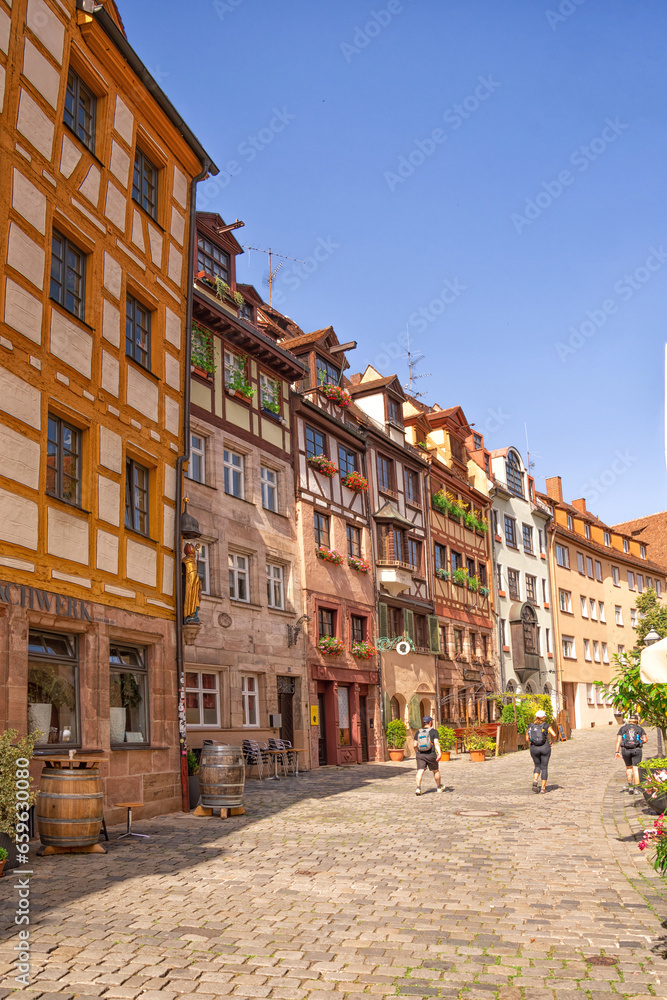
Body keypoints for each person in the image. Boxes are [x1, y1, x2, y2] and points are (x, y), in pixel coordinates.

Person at [527, 709, 558, 794]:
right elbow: (554, 735)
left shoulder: (530, 726)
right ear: (543, 717)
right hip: (545, 748)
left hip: (534, 748)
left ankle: (535, 780)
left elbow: (527, 739)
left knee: (537, 766)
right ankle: (543, 789)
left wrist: (534, 742)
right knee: (544, 767)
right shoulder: (546, 725)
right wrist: (552, 741)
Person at [615, 714, 648, 793]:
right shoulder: (640, 729)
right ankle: (636, 788)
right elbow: (645, 740)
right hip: (636, 750)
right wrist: (640, 742)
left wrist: (617, 751)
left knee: (629, 768)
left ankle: (630, 786)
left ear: (629, 720)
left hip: (625, 750)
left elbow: (618, 740)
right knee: (636, 769)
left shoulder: (622, 728)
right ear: (637, 721)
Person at [413, 716, 443, 795]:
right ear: (430, 722)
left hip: (420, 754)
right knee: (435, 770)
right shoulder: (434, 731)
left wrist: (417, 753)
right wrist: (439, 753)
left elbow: (415, 745)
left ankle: (418, 788)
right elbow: (436, 743)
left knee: (420, 771)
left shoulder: (418, 732)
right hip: (431, 754)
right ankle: (439, 787)